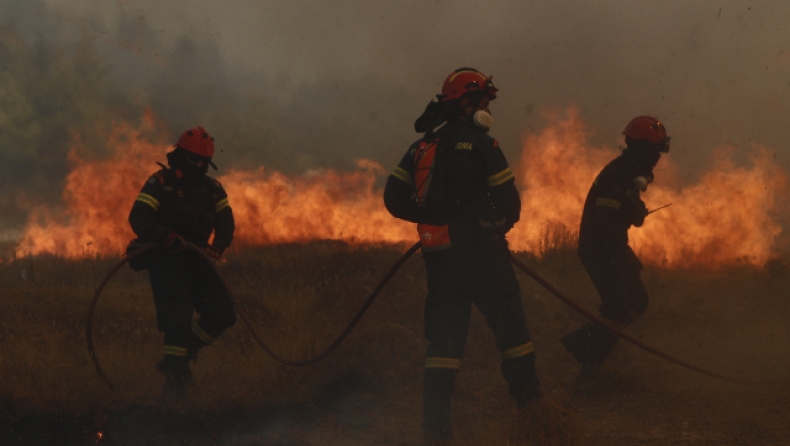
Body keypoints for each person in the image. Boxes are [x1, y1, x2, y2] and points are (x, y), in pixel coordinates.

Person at [384, 68, 542, 444]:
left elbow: (393, 199)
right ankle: (535, 418)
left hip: (441, 260)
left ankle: (435, 432)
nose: (487, 107)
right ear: (466, 103)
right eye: (484, 100)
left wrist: (433, 218)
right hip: (486, 261)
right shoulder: (484, 145)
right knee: (514, 338)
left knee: (444, 348)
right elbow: (510, 206)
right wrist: (489, 228)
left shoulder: (422, 147)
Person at [561, 116, 670, 390]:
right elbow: (607, 218)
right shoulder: (621, 173)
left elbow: (626, 211)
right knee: (619, 306)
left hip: (608, 247)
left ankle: (581, 343)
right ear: (643, 149)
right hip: (600, 249)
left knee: (635, 302)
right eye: (655, 151)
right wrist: (622, 254)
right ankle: (588, 373)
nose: (657, 157)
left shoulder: (629, 172)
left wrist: (635, 212)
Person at [127, 126, 236, 396]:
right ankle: (175, 382)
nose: (198, 165)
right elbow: (139, 216)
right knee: (177, 320)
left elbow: (226, 223)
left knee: (223, 313)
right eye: (193, 160)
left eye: (203, 162)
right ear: (180, 155)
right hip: (167, 260)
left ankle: (185, 352)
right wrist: (164, 236)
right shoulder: (162, 182)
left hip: (198, 260)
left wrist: (218, 247)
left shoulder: (213, 190)